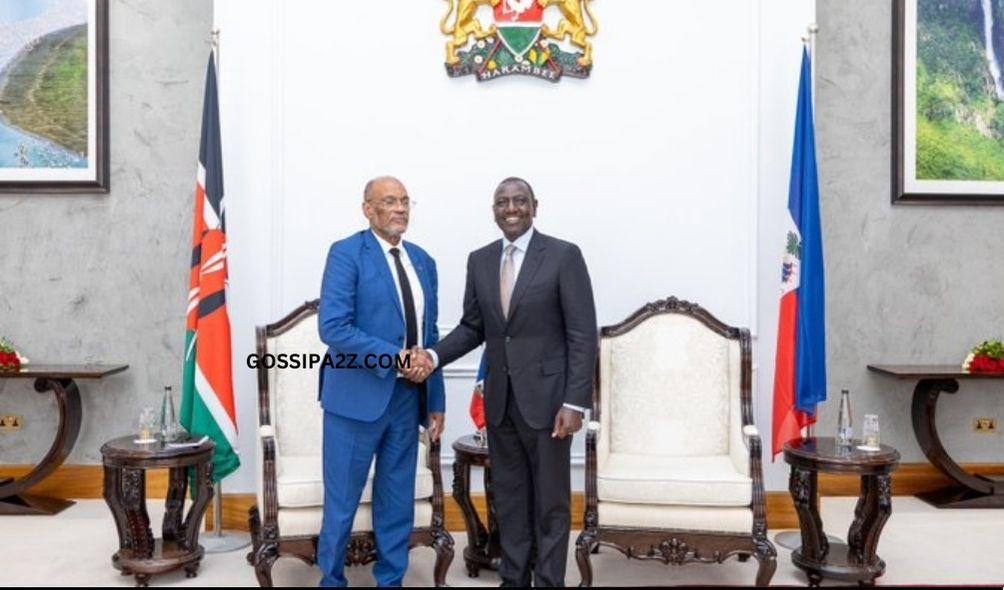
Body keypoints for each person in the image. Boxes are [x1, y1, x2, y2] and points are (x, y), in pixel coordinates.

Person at [420, 177, 597, 586]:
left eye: (519, 201)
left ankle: (550, 581)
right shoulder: (479, 260)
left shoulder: (563, 256)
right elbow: (472, 327)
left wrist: (575, 402)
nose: (511, 208)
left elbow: (582, 333)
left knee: (551, 503)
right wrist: (432, 356)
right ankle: (514, 579)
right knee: (510, 500)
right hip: (500, 402)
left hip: (552, 404)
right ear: (493, 210)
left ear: (535, 205)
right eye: (502, 202)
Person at [316, 176, 443, 587]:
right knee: (341, 504)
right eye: (389, 201)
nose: (400, 209)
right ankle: (331, 580)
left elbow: (431, 335)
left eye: (406, 201)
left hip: (407, 401)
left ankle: (391, 581)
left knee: (396, 501)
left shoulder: (423, 260)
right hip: (355, 400)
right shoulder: (347, 253)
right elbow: (333, 327)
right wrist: (394, 358)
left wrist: (435, 401)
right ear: (367, 209)